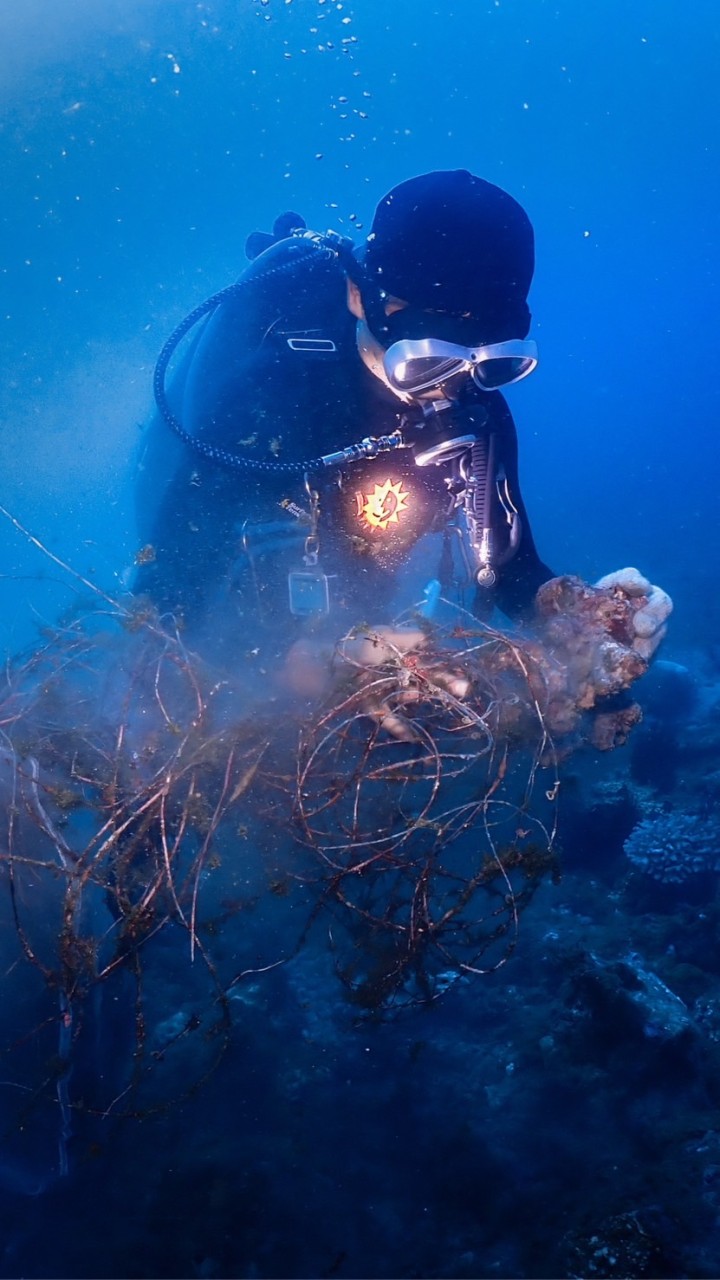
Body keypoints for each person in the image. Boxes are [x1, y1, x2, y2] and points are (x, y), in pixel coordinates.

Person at [134, 170, 670, 684]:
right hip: (238, 527)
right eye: (428, 361)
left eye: (491, 366)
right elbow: (169, 592)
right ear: (357, 296)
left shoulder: (472, 401)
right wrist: (281, 661)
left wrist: (586, 619)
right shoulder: (268, 393)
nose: (449, 389)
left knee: (360, 590)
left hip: (348, 587)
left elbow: (511, 568)